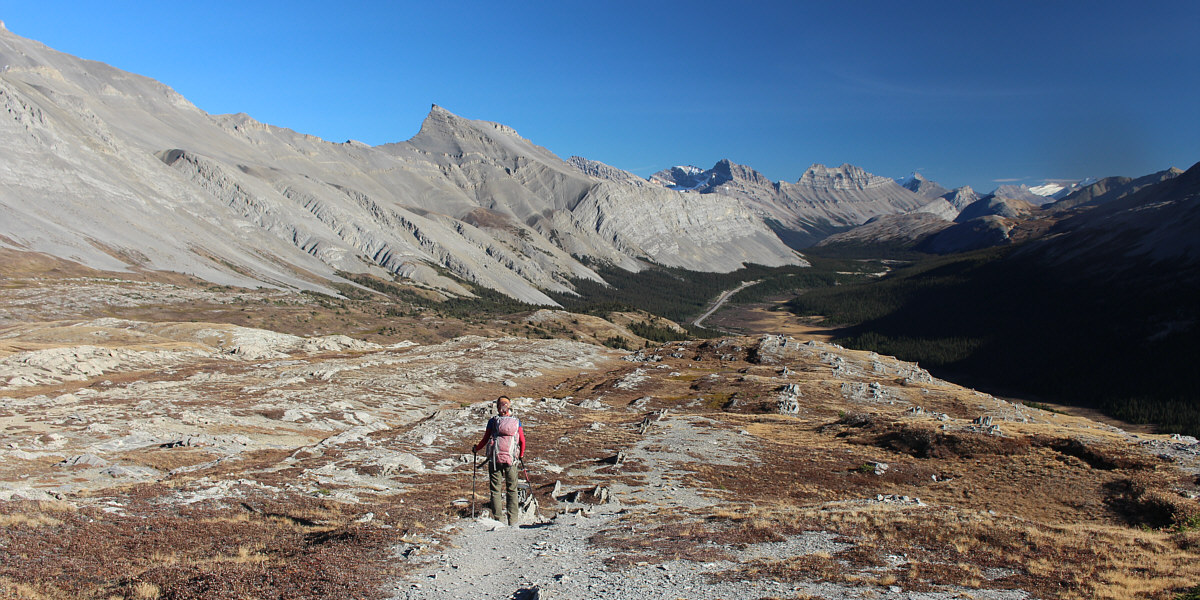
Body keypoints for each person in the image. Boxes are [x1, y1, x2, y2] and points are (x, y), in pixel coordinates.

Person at [472, 396, 526, 525]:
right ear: (509, 406)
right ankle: (513, 520)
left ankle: (498, 519)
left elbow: (485, 439)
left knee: (496, 490)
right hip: (511, 460)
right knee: (512, 489)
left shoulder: (493, 421)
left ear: (497, 407)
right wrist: (521, 455)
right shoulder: (516, 422)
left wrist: (476, 448)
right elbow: (522, 441)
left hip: (495, 460)